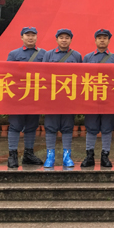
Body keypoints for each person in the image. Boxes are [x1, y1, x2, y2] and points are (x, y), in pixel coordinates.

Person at [6, 27, 46, 168]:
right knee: (15, 125)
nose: (30, 37)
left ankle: (29, 154)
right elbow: (8, 74)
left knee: (31, 125)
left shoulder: (44, 54)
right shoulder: (14, 54)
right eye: (27, 35)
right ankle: (12, 155)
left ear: (36, 37)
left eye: (33, 35)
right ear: (22, 37)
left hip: (35, 95)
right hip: (18, 96)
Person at [42, 28, 83, 168]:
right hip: (52, 97)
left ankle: (67, 156)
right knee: (50, 127)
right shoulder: (48, 55)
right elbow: (43, 74)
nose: (64, 40)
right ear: (56, 39)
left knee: (67, 127)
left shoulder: (76, 56)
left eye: (67, 37)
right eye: (61, 37)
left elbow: (80, 76)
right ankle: (50, 156)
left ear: (71, 40)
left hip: (69, 98)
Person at [81, 29, 114, 168]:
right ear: (95, 40)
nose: (102, 40)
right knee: (91, 127)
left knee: (107, 128)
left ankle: (105, 155)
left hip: (109, 99)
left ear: (109, 41)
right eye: (99, 38)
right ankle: (89, 155)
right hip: (92, 98)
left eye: (105, 38)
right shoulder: (87, 58)